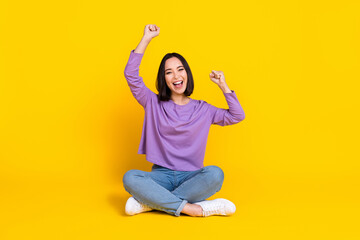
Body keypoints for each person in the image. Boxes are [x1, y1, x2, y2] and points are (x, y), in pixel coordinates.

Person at [122, 24, 245, 217]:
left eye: (180, 69)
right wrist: (146, 38)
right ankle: (195, 209)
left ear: (187, 73)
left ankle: (151, 203)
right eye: (169, 72)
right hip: (160, 176)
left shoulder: (203, 109)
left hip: (192, 176)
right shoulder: (152, 102)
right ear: (164, 78)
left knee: (215, 174)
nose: (176, 75)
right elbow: (131, 75)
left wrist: (223, 86)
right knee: (130, 177)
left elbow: (237, 115)